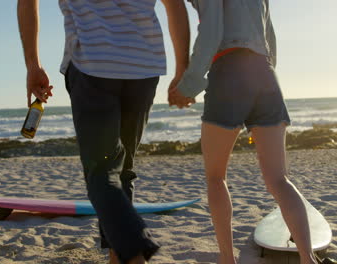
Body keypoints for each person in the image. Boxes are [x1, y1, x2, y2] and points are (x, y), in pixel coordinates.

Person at [17, 0, 190, 263]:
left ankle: (134, 249)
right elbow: (175, 4)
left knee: (102, 173)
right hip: (143, 66)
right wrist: (182, 69)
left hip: (92, 65)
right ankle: (117, 256)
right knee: (121, 171)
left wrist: (32, 64)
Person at [169, 1, 319, 263]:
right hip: (265, 73)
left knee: (216, 178)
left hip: (228, 69)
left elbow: (212, 32)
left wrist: (189, 84)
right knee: (279, 180)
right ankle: (308, 257)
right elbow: (270, 35)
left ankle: (227, 258)